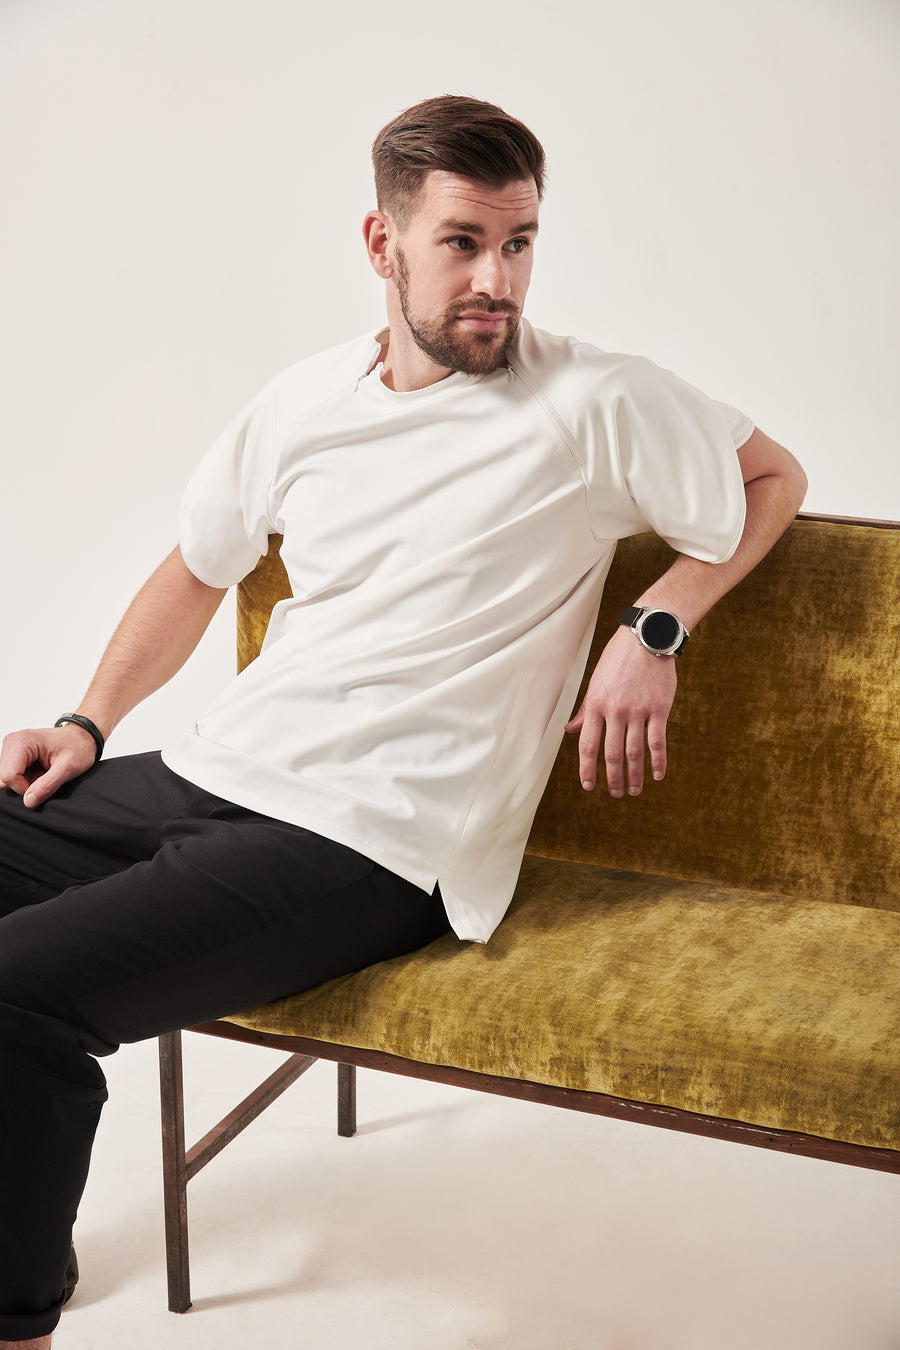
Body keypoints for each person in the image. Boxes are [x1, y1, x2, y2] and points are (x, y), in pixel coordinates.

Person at [0, 93, 807, 1347]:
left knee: (19, 987)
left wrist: (657, 626)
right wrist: (88, 720)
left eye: (522, 241)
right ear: (383, 246)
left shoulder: (594, 399)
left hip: (375, 842)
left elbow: (773, 474)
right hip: (217, 775)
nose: (499, 279)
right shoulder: (306, 399)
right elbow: (199, 565)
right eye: (464, 243)